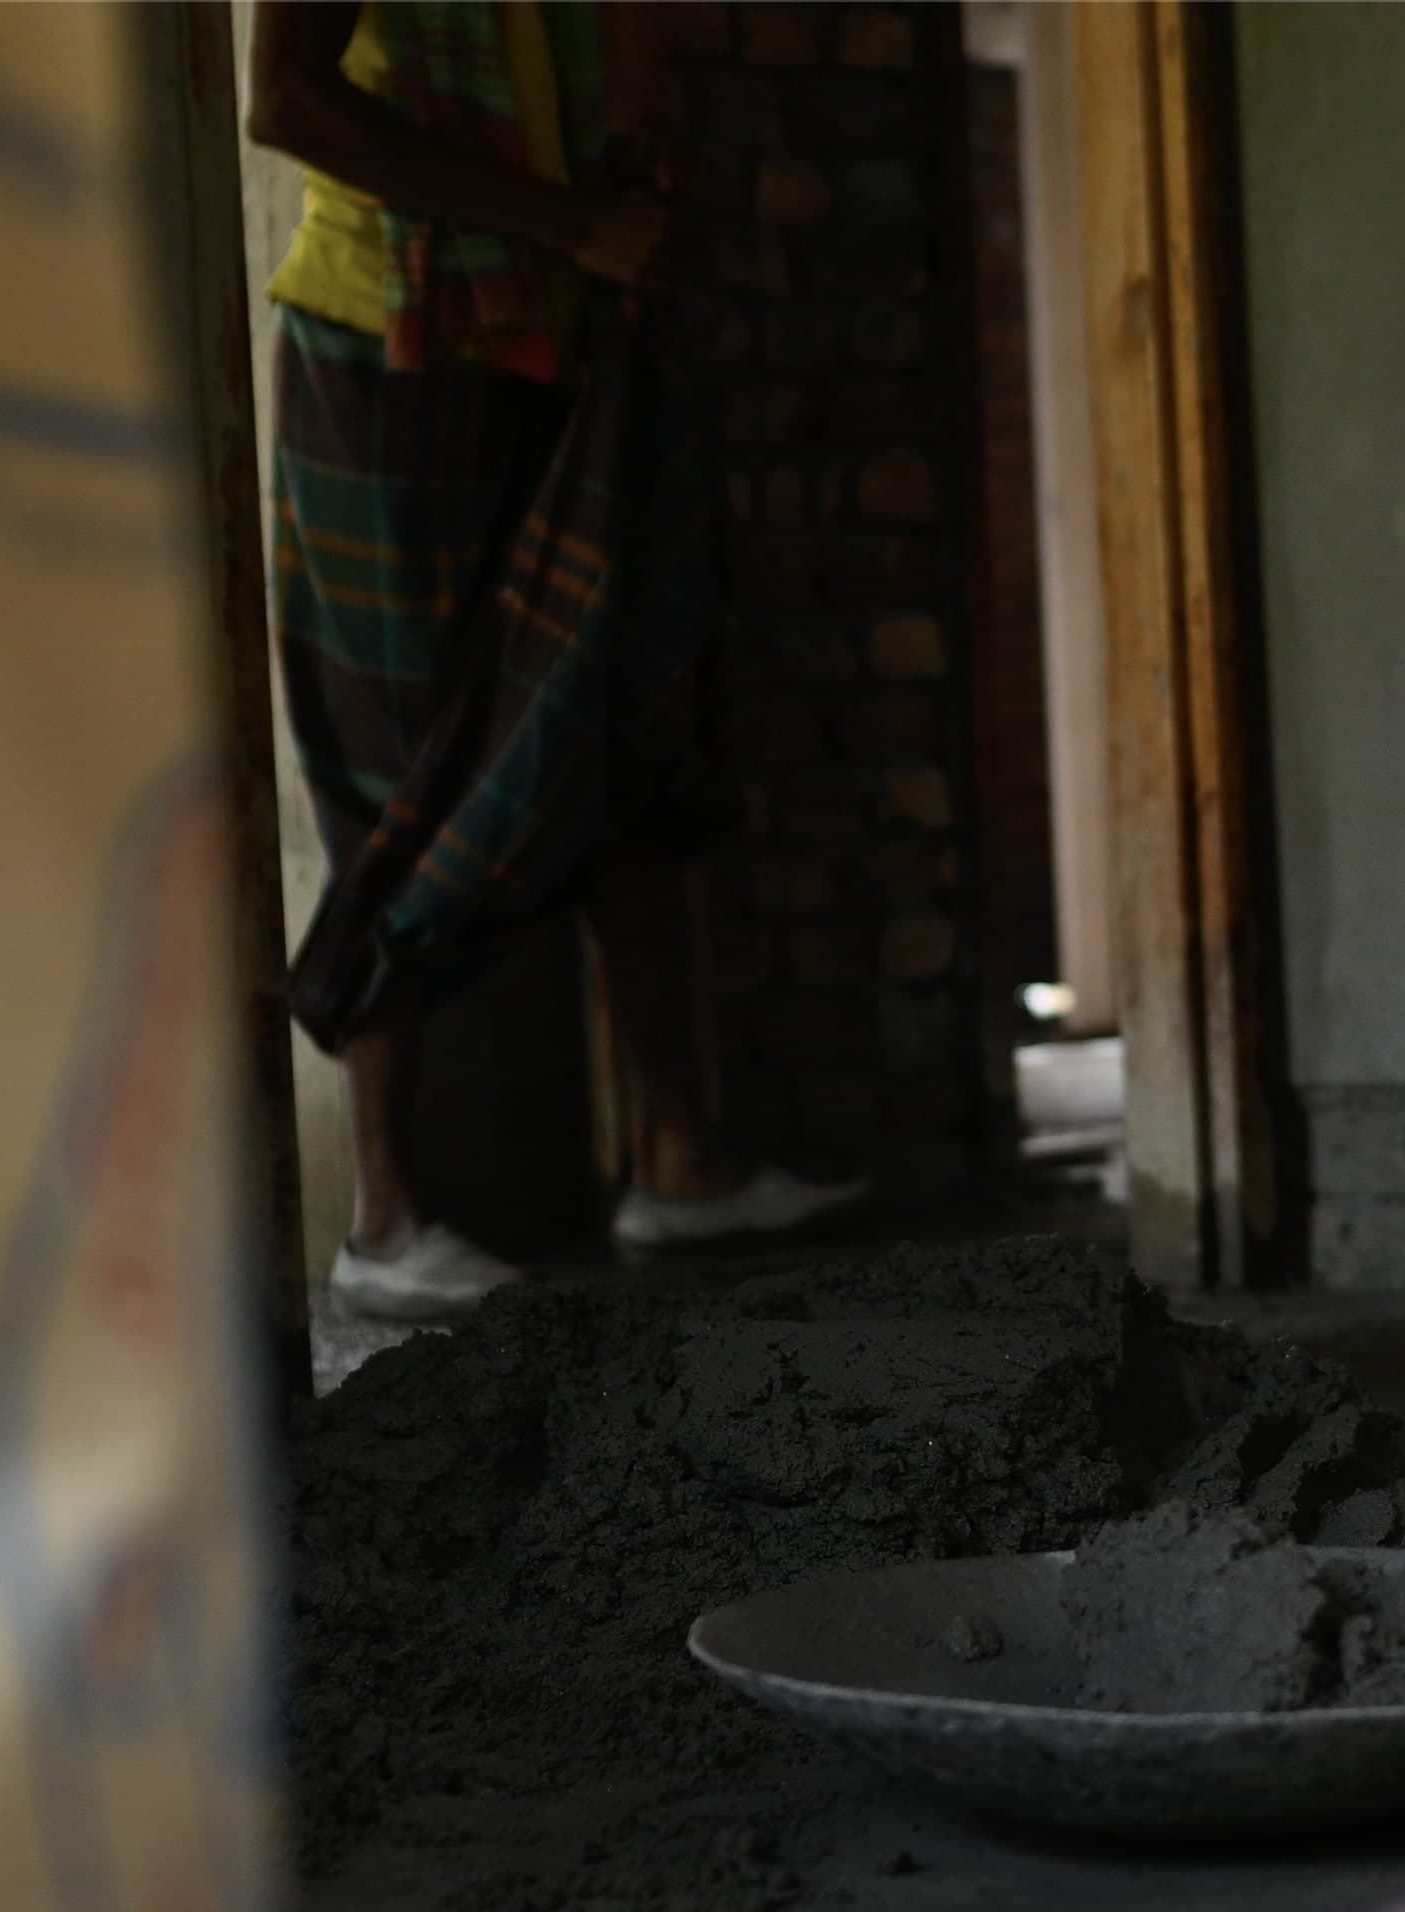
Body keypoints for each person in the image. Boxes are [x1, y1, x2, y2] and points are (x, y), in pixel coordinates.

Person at [250, 0, 862, 1320]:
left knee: (624, 713)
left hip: (570, 334)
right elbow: (286, 103)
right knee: (401, 766)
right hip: (391, 346)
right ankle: (386, 1220)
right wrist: (570, 222)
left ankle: (682, 1162)